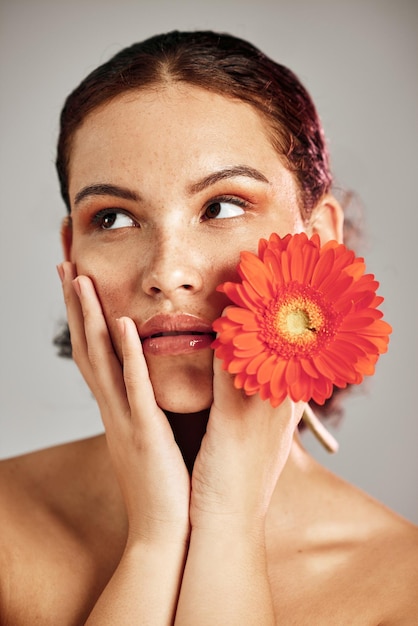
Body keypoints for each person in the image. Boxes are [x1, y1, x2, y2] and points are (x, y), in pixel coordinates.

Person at [0, 30, 416, 625]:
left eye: (221, 206)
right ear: (71, 258)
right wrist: (155, 534)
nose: (167, 273)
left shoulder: (404, 587)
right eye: (113, 218)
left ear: (320, 237)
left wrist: (227, 520)